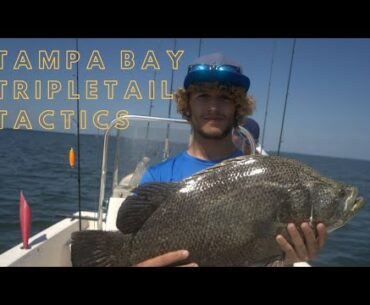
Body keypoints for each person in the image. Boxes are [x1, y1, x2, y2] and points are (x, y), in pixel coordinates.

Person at [136, 53, 327, 267]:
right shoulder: (156, 177)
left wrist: (287, 260)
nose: (214, 107)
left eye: (225, 97)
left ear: (238, 108)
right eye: (202, 96)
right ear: (187, 105)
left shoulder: (266, 178)